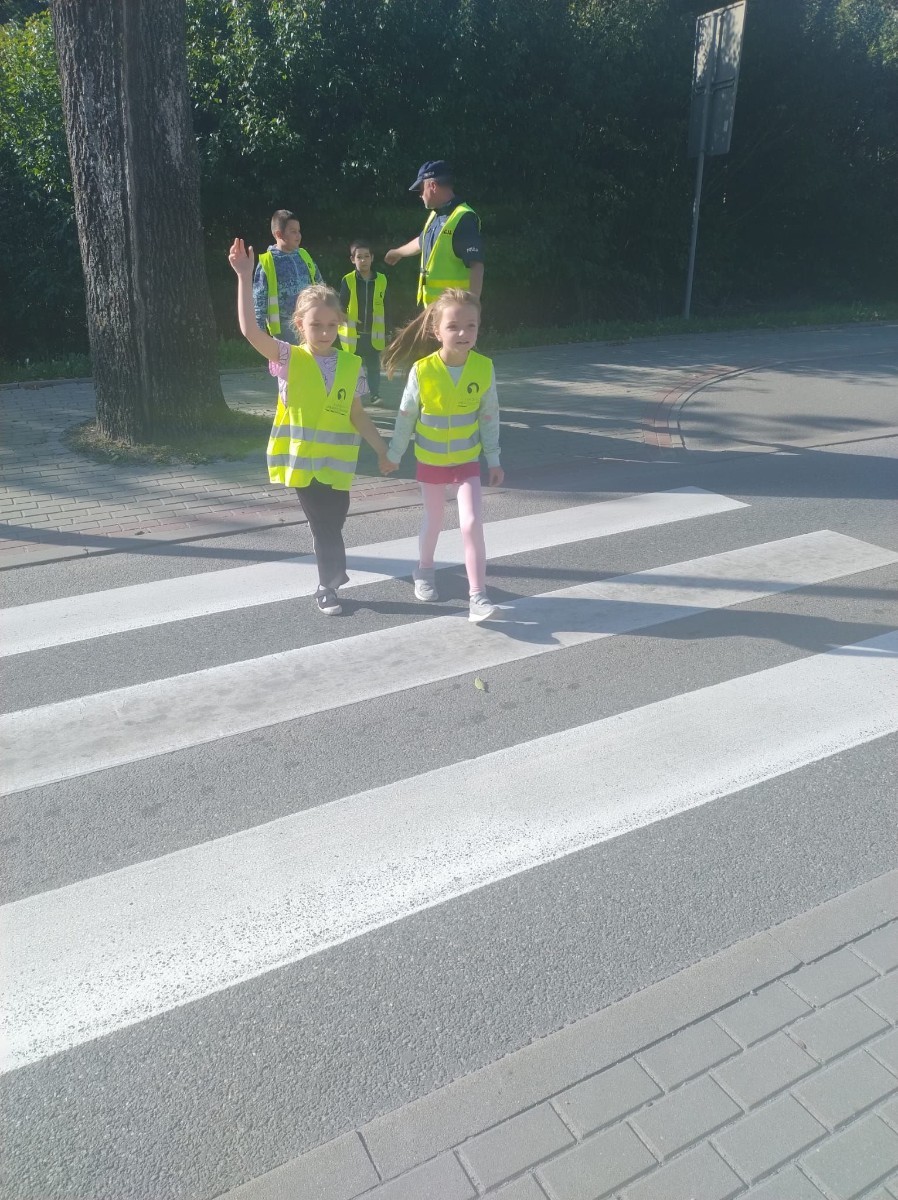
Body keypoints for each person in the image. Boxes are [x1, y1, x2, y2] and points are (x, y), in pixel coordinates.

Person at [230, 238, 393, 616]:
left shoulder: (352, 365)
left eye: (331, 325)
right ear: (299, 325)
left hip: (337, 463)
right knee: (324, 525)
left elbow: (356, 414)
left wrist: (381, 449)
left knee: (335, 519)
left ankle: (330, 571)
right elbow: (250, 332)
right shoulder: (288, 355)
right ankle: (328, 585)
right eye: (315, 325)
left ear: (340, 324)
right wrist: (243, 276)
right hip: (303, 461)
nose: (324, 332)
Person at [382, 288, 503, 623]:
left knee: (472, 523)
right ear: (437, 331)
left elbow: (489, 415)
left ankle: (478, 596)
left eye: (471, 326)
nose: (463, 333)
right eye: (453, 326)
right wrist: (394, 454)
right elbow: (406, 415)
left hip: (467, 462)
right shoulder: (422, 371)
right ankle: (423, 571)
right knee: (433, 522)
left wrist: (493, 459)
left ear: (479, 327)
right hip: (431, 462)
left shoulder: (483, 368)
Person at [384, 161, 484, 308]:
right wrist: (398, 252)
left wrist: (473, 308)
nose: (420, 195)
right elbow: (422, 240)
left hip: (455, 312)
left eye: (420, 189)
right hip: (434, 310)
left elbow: (477, 266)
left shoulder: (463, 218)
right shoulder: (436, 215)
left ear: (432, 186)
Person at [253, 209, 324, 345]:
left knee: (310, 365)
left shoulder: (304, 255)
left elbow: (320, 286)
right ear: (279, 234)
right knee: (289, 365)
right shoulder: (268, 261)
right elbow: (259, 300)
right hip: (284, 330)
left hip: (310, 323)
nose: (298, 235)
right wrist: (260, 334)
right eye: (293, 232)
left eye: (299, 231)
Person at [338, 239, 388, 405]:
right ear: (353, 259)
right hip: (354, 334)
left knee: (374, 367)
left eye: (367, 256)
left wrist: (389, 330)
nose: (363, 260)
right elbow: (341, 306)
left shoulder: (382, 280)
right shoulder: (348, 280)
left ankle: (375, 395)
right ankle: (350, 396)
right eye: (359, 257)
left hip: (374, 333)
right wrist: (344, 319)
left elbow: (387, 306)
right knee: (352, 367)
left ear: (372, 258)